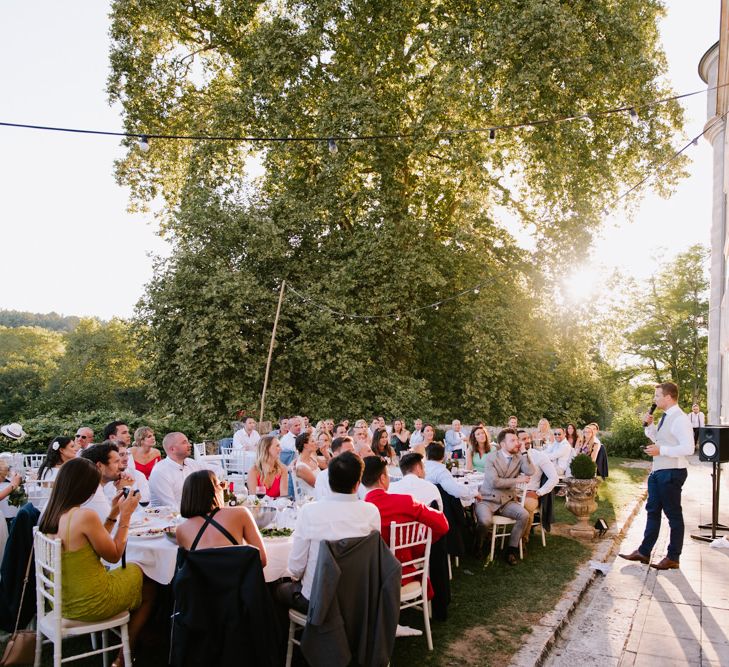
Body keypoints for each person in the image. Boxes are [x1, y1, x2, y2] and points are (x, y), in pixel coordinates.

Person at [38, 457, 156, 667]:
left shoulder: (52, 514)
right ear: (85, 486)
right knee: (148, 580)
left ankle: (143, 638)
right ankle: (125, 653)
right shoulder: (84, 515)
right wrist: (126, 517)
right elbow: (114, 555)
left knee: (137, 572)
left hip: (62, 599)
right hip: (91, 602)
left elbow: (93, 546)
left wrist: (113, 513)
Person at [278, 452, 380, 613]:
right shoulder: (371, 511)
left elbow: (296, 568)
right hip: (359, 595)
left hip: (318, 599)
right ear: (358, 483)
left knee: (280, 589)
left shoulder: (309, 511)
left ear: (329, 480)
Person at [619, 382, 694, 570]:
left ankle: (673, 557)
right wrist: (650, 427)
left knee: (673, 515)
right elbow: (660, 440)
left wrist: (662, 450)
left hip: (672, 473)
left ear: (668, 397)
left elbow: (688, 448)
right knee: (652, 512)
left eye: (657, 396)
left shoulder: (680, 418)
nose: (655, 399)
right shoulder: (665, 416)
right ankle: (644, 552)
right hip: (658, 472)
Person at [362, 456, 449, 580]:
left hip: (370, 579)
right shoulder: (405, 501)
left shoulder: (358, 511)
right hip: (404, 570)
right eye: (388, 475)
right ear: (382, 478)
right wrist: (422, 543)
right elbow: (442, 524)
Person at [176, 470, 267, 564]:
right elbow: (262, 559)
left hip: (202, 579)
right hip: (236, 577)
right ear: (213, 490)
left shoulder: (181, 530)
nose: (224, 489)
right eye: (222, 485)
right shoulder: (241, 513)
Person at [474, 429, 534, 565]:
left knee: (524, 515)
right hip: (487, 499)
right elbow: (495, 482)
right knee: (484, 522)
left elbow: (530, 471)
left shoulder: (519, 457)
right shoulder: (491, 457)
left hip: (507, 501)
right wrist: (518, 480)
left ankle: (511, 550)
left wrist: (524, 452)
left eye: (517, 440)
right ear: (503, 444)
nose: (517, 443)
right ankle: (478, 545)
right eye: (512, 440)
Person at [148, 432, 203, 509]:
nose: (189, 445)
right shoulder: (160, 472)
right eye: (184, 442)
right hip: (166, 518)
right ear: (172, 449)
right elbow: (171, 506)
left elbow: (215, 470)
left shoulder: (191, 463)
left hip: (191, 513)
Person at [81, 442, 135, 521]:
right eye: (116, 462)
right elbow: (115, 527)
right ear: (99, 466)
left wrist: (120, 491)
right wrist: (126, 490)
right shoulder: (93, 494)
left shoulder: (91, 487)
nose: (121, 466)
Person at [517, 430, 558, 532]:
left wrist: (538, 493)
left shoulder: (539, 456)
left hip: (531, 493)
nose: (527, 441)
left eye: (528, 438)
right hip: (512, 492)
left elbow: (554, 478)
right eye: (523, 439)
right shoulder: (511, 455)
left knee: (526, 507)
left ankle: (523, 540)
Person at [314, 436, 356, 500]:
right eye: (349, 451)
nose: (353, 454)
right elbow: (321, 500)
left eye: (353, 450)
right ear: (336, 454)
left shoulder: (358, 472)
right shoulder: (323, 476)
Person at [293, 431, 320, 497]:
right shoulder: (301, 467)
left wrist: (324, 451)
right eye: (312, 441)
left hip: (321, 493)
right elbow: (317, 485)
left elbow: (327, 466)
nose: (316, 443)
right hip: (311, 499)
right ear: (305, 445)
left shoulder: (312, 457)